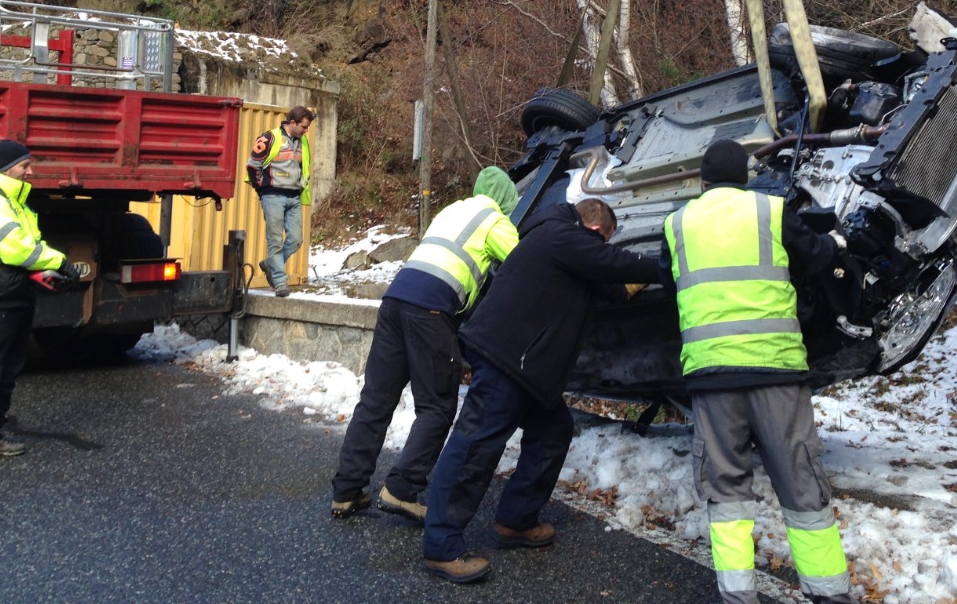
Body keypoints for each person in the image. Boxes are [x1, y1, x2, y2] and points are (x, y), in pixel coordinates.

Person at [421, 198, 655, 584]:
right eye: (604, 242)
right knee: (474, 448)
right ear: (597, 233)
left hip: (525, 368)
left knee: (553, 430)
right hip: (507, 360)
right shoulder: (558, 233)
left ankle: (515, 521)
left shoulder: (562, 243)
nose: (601, 250)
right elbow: (609, 264)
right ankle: (441, 547)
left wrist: (631, 284)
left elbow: (609, 282)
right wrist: (667, 263)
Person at [662, 138, 853, 604]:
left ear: (701, 182)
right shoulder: (769, 211)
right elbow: (817, 257)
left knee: (726, 492)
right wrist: (836, 242)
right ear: (744, 179)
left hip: (711, 379)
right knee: (801, 483)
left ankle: (738, 596)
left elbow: (671, 288)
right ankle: (829, 594)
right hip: (776, 374)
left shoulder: (676, 224)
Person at [330, 166, 519, 523]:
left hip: (395, 300)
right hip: (431, 310)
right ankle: (401, 489)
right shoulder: (496, 222)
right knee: (437, 406)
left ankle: (347, 491)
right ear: (506, 198)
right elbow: (524, 267)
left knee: (375, 400)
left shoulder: (452, 210)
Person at [0, 140, 77, 468]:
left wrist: (43, 271)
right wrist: (61, 261)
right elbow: (16, 249)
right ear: (7, 169)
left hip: (14, 295)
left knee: (6, 372)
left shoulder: (12, 202)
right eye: (25, 166)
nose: (31, 171)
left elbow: (24, 251)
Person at [246, 106, 315, 297]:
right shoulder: (269, 138)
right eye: (304, 126)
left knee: (296, 240)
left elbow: (303, 168)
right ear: (292, 123)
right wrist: (262, 189)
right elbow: (252, 165)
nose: (306, 130)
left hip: (293, 197)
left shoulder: (303, 142)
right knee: (275, 242)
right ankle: (280, 282)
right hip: (273, 197)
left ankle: (269, 264)